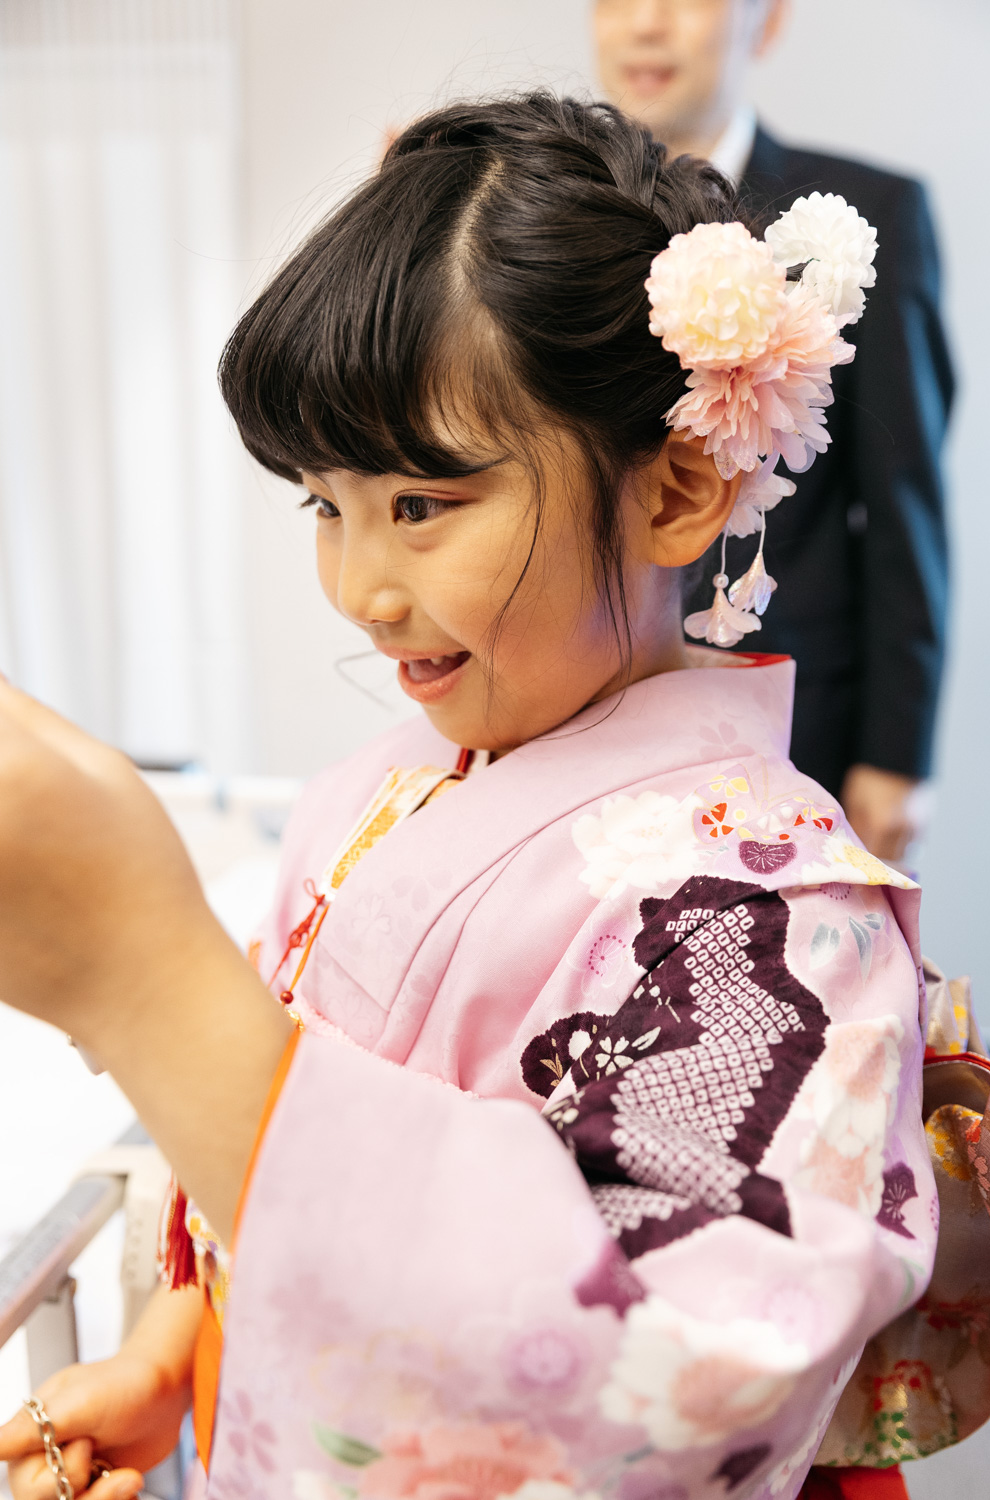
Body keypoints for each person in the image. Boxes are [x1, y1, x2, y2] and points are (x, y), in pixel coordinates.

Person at [0, 98, 936, 1500]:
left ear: (679, 490)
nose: (363, 591)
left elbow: (690, 1375)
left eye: (422, 506)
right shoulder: (377, 788)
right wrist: (182, 1348)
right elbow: (283, 1152)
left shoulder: (781, 920)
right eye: (327, 506)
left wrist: (143, 978)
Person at [593, 0, 954, 865]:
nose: (645, 24)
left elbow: (904, 505)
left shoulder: (868, 215)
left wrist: (897, 752)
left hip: (798, 716)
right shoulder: (554, 225)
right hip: (597, 702)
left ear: (767, 19)